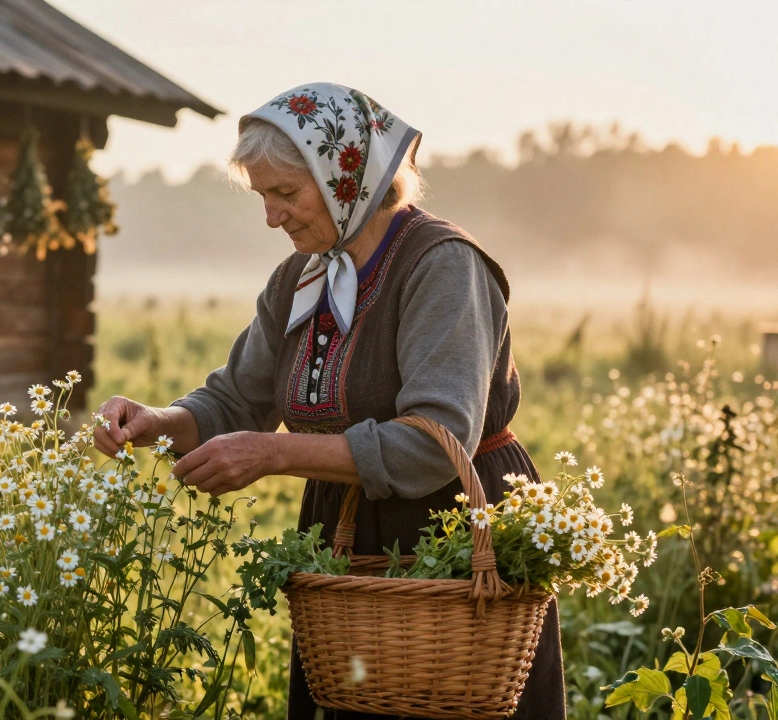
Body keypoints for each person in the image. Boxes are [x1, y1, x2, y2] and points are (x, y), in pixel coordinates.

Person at [92, 83, 565, 719]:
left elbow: (434, 443)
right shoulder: (303, 276)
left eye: (286, 193)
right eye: (264, 197)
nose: (271, 216)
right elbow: (237, 398)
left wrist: (271, 453)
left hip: (450, 534)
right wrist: (160, 422)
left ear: (351, 179)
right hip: (342, 537)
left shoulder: (442, 266)